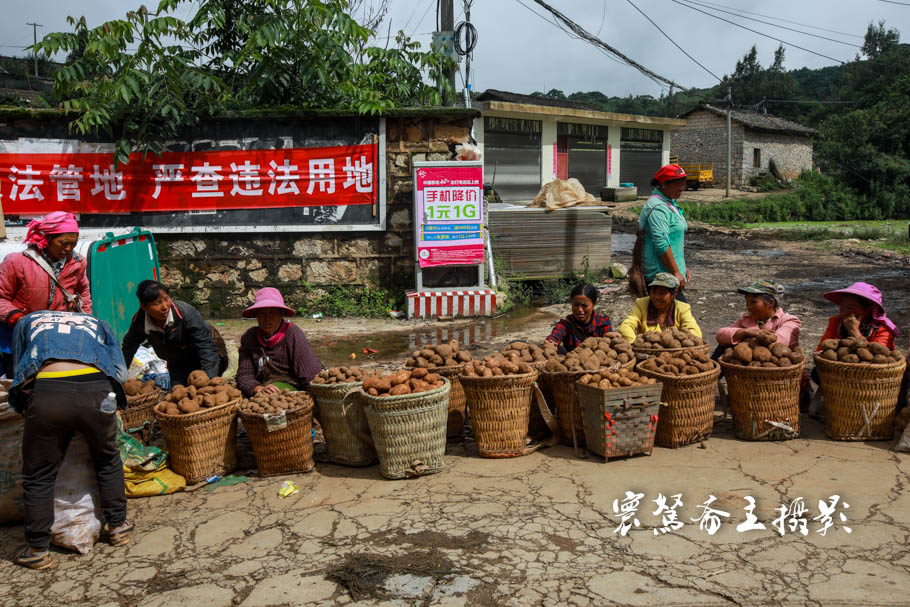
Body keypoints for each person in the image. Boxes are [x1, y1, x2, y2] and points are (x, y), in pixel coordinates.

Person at [8, 311, 132, 569]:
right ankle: (119, 527)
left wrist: (25, 407)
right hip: (97, 389)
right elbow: (119, 370)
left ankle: (37, 550)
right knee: (107, 459)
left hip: (50, 392)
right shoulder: (97, 321)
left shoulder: (29, 320)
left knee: (39, 474)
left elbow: (20, 369)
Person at [0, 212, 91, 377]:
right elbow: (1, 297)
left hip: (57, 337)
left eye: (73, 244)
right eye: (63, 243)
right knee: (21, 382)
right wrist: (16, 317)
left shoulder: (78, 263)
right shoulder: (17, 262)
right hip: (21, 337)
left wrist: (86, 322)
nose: (68, 249)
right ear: (47, 239)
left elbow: (83, 294)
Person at [121, 280, 227, 387]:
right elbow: (128, 347)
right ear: (144, 306)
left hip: (208, 355)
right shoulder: (140, 321)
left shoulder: (186, 313)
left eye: (166, 299)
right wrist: (119, 378)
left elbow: (206, 347)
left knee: (204, 389)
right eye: (157, 303)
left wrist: (207, 380)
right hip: (177, 360)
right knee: (177, 391)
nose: (165, 307)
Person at [236, 288, 323, 396]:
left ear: (281, 314)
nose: (267, 318)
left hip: (291, 391)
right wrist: (256, 388)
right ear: (256, 315)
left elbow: (311, 375)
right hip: (262, 391)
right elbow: (244, 375)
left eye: (273, 313)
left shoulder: (293, 334)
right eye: (262, 313)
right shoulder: (250, 337)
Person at [630, 164, 690, 301]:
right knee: (676, 316)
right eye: (678, 184)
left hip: (670, 272)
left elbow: (675, 241)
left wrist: (682, 266)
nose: (682, 188)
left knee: (671, 318)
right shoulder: (657, 207)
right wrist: (676, 271)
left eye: (683, 184)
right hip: (661, 277)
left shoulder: (669, 203)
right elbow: (661, 244)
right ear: (663, 184)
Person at [715, 280, 801, 358]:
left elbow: (778, 344)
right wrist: (745, 332)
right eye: (747, 301)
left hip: (780, 371)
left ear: (770, 303)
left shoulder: (789, 321)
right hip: (750, 368)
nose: (748, 306)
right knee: (724, 345)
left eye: (753, 302)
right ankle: (713, 375)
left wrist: (749, 337)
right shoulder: (748, 319)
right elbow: (721, 334)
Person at [619, 272, 701, 343]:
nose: (657, 297)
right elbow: (625, 326)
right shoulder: (642, 303)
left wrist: (677, 345)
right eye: (654, 292)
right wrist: (636, 344)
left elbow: (695, 333)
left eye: (662, 293)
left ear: (674, 294)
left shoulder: (682, 308)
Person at [816, 282, 898, 350]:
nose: (844, 311)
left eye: (850, 307)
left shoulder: (882, 329)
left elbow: (878, 357)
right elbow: (820, 350)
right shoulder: (836, 321)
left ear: (868, 309)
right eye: (842, 306)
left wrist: (854, 331)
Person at [545, 283, 613, 353]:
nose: (580, 310)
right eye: (576, 305)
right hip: (573, 361)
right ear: (571, 303)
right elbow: (556, 334)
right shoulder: (566, 324)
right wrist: (551, 342)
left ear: (593, 304)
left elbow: (609, 341)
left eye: (584, 305)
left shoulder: (603, 322)